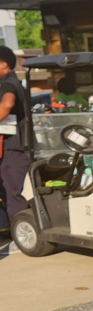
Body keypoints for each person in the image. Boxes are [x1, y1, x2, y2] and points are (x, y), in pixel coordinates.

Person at [0, 46, 30, 254]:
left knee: (14, 194)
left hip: (15, 148)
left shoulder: (9, 82)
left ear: (4, 64)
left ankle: (22, 237)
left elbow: (8, 103)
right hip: (10, 148)